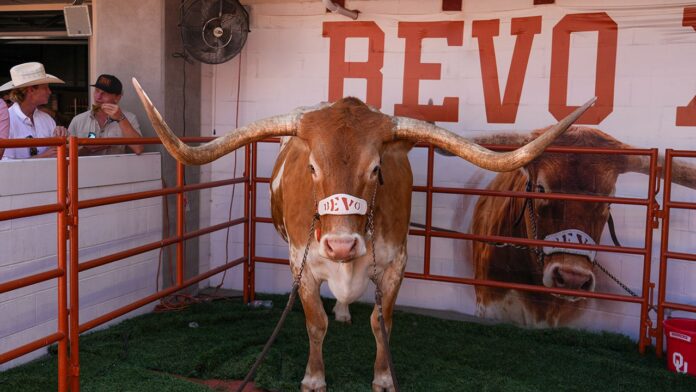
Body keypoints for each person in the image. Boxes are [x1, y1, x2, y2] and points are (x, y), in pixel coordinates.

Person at [0, 62, 67, 160]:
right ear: (31, 90)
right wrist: (42, 157)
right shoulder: (7, 121)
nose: (49, 92)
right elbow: (5, 164)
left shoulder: (47, 119)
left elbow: (58, 152)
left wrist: (62, 136)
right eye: (45, 87)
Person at [68, 74, 144, 155]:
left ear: (117, 98)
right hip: (85, 167)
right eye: (97, 91)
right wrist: (86, 149)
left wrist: (120, 118)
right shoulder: (78, 120)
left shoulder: (129, 118)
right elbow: (67, 155)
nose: (98, 97)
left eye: (104, 93)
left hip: (115, 167)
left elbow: (138, 148)